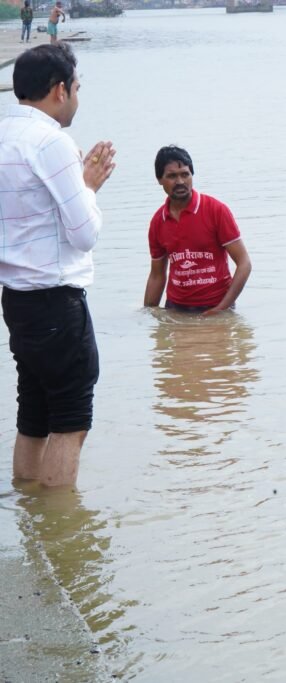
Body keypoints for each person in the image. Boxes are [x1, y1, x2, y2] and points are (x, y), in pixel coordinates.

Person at [0, 43, 117, 488]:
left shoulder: (4, 133)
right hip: (56, 301)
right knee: (70, 419)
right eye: (78, 88)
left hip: (17, 300)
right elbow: (84, 233)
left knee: (32, 411)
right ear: (60, 89)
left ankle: (29, 515)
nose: (78, 98)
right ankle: (60, 529)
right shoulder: (51, 141)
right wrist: (87, 186)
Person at [144, 146, 252, 315]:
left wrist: (221, 309)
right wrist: (148, 314)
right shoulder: (158, 221)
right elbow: (157, 275)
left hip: (216, 307)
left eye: (185, 174)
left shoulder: (216, 210)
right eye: (172, 176)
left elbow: (244, 263)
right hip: (175, 309)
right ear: (159, 179)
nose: (180, 181)